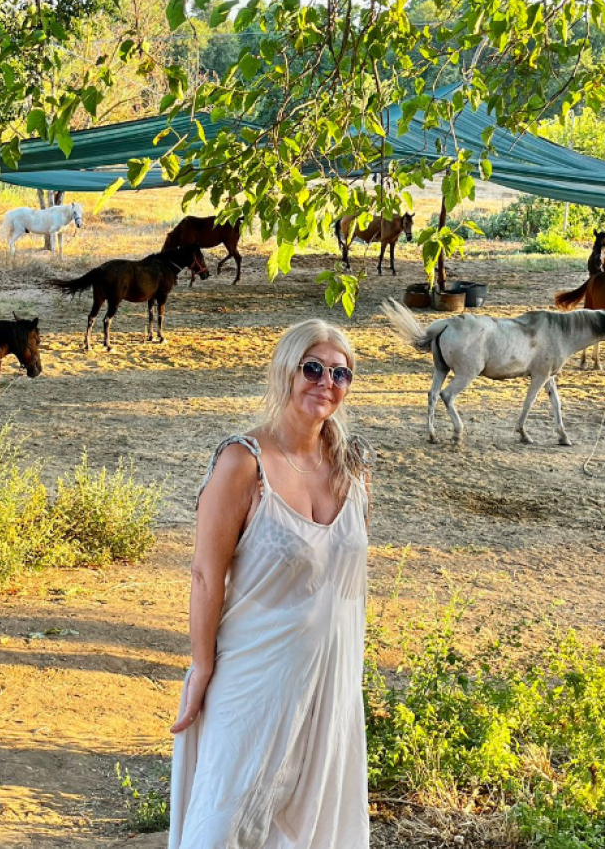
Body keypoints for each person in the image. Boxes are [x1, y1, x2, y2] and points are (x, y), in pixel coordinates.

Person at [168, 319, 372, 848]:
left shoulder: (353, 468)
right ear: (286, 370)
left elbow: (344, 576)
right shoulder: (243, 463)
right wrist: (202, 666)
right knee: (227, 820)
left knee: (314, 828)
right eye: (313, 368)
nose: (326, 381)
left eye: (340, 373)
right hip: (255, 674)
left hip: (331, 680)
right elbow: (206, 575)